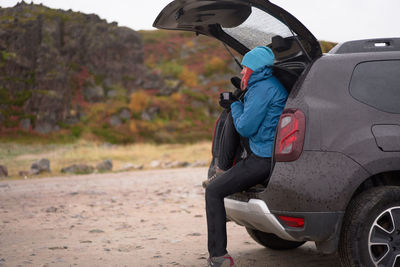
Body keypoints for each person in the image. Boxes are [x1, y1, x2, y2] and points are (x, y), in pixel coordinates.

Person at [205, 46, 288, 267]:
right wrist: (237, 102)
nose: (242, 72)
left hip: (262, 159)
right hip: (261, 152)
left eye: (245, 68)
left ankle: (219, 257)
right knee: (231, 112)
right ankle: (222, 171)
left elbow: (245, 128)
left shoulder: (263, 89)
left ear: (255, 69)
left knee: (213, 192)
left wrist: (234, 105)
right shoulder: (263, 85)